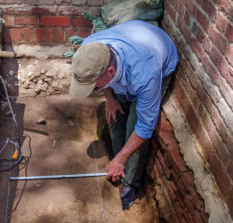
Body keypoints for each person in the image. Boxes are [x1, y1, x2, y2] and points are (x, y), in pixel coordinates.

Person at [70, 20, 179, 210]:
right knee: (115, 118)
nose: (94, 90)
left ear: (110, 72)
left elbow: (145, 127)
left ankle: (129, 183)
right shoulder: (91, 50)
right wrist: (110, 99)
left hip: (155, 66)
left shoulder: (146, 74)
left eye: (95, 87)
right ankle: (117, 165)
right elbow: (102, 81)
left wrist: (121, 158)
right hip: (127, 60)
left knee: (133, 128)